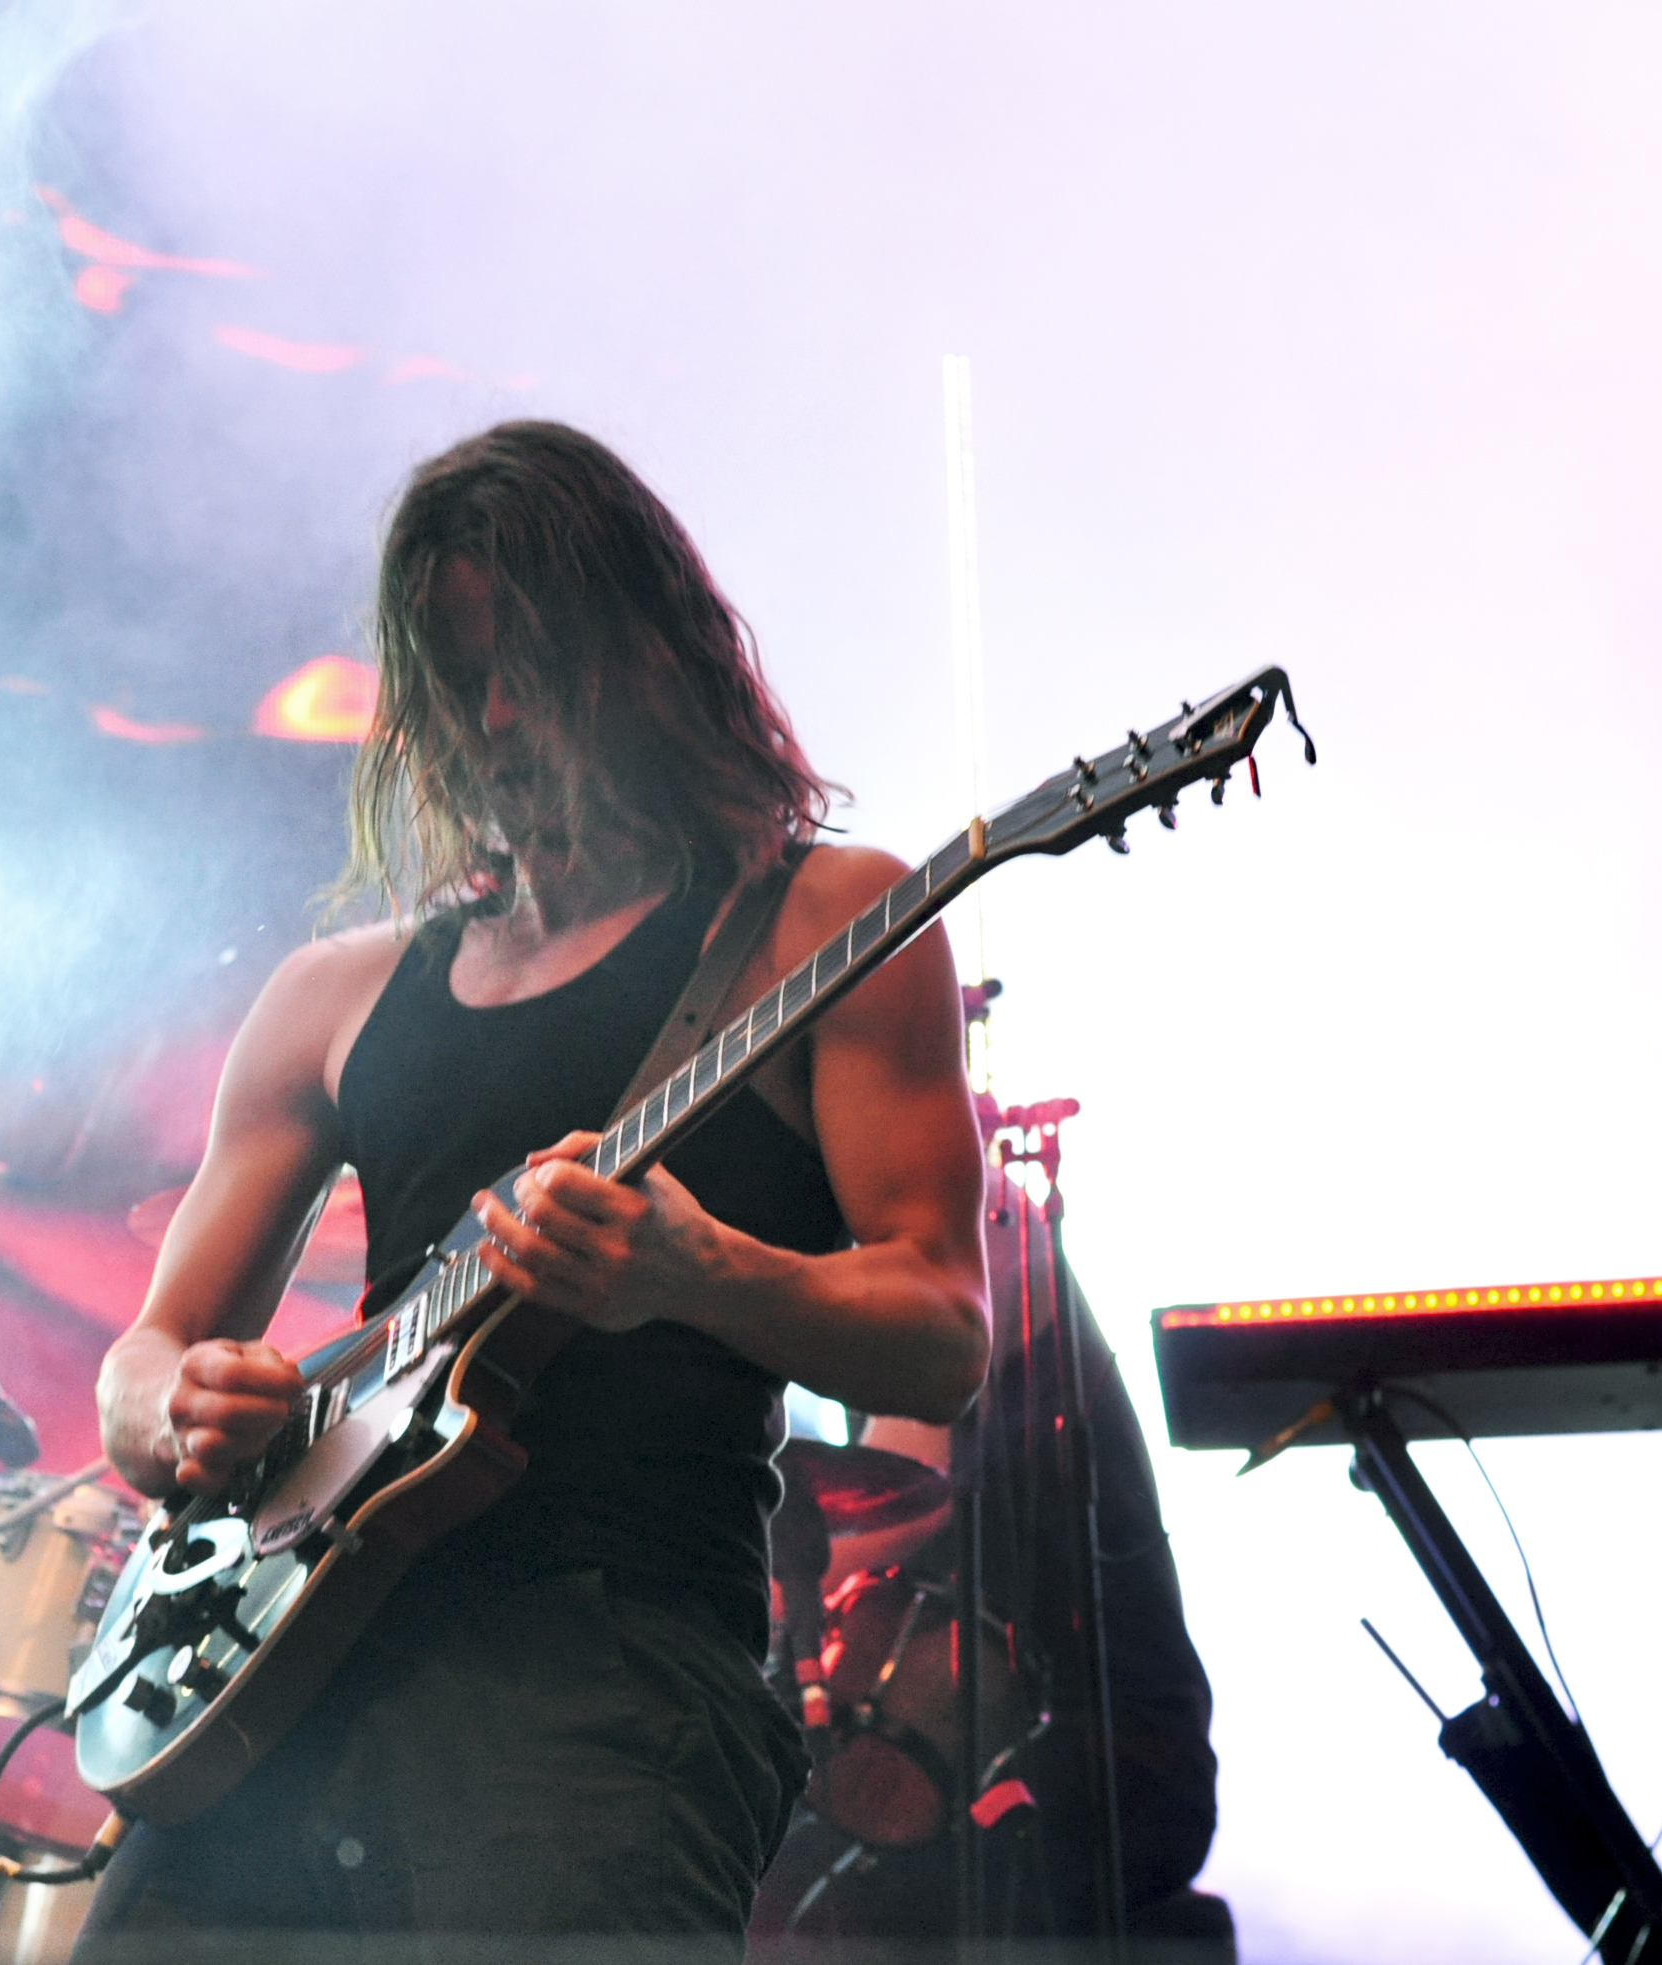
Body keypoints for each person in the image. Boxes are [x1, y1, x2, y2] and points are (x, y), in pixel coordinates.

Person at [77, 420, 992, 1960]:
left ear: (649, 652)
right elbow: (140, 1360)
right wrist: (181, 1406)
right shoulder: (330, 995)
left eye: (531, 664)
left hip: (601, 1675)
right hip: (286, 1672)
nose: (495, 716)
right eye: (455, 674)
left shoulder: (821, 922)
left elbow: (942, 1336)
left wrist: (698, 1271)